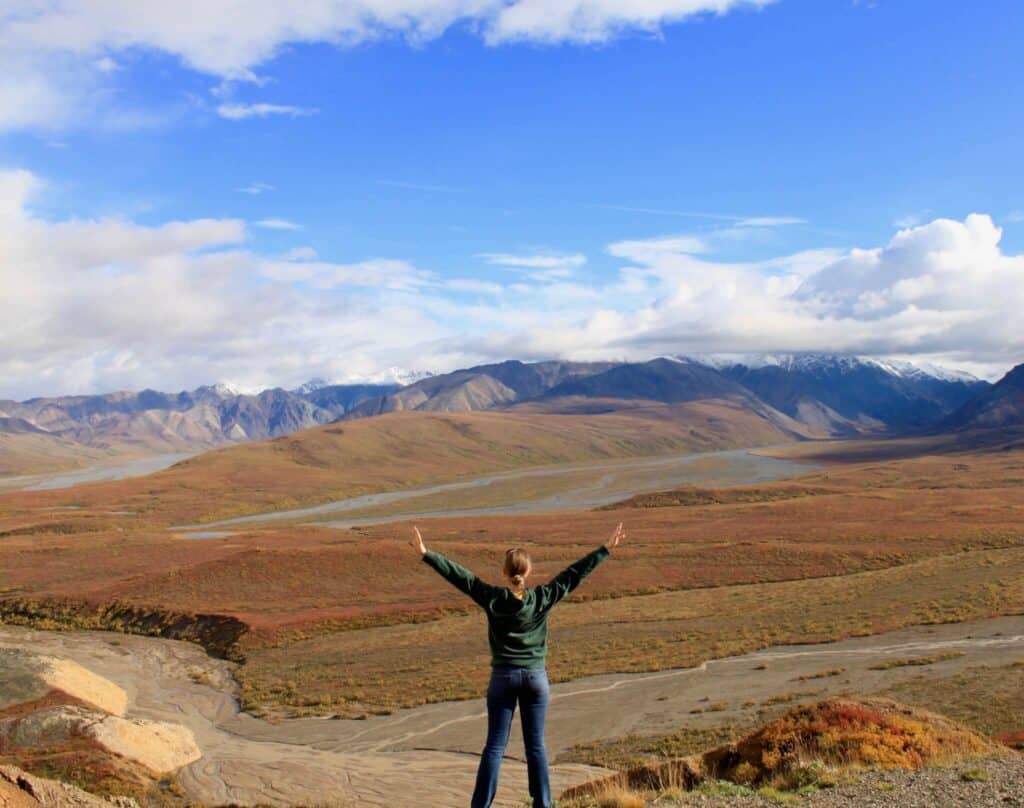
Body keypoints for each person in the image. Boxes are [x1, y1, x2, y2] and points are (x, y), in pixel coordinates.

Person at [412, 522, 626, 808]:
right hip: (536, 678)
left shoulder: (493, 599)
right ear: (527, 572)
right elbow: (573, 576)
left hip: (503, 677)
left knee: (495, 747)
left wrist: (426, 553)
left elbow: (461, 577)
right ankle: (543, 804)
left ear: (505, 572)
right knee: (536, 747)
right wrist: (605, 550)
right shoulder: (540, 599)